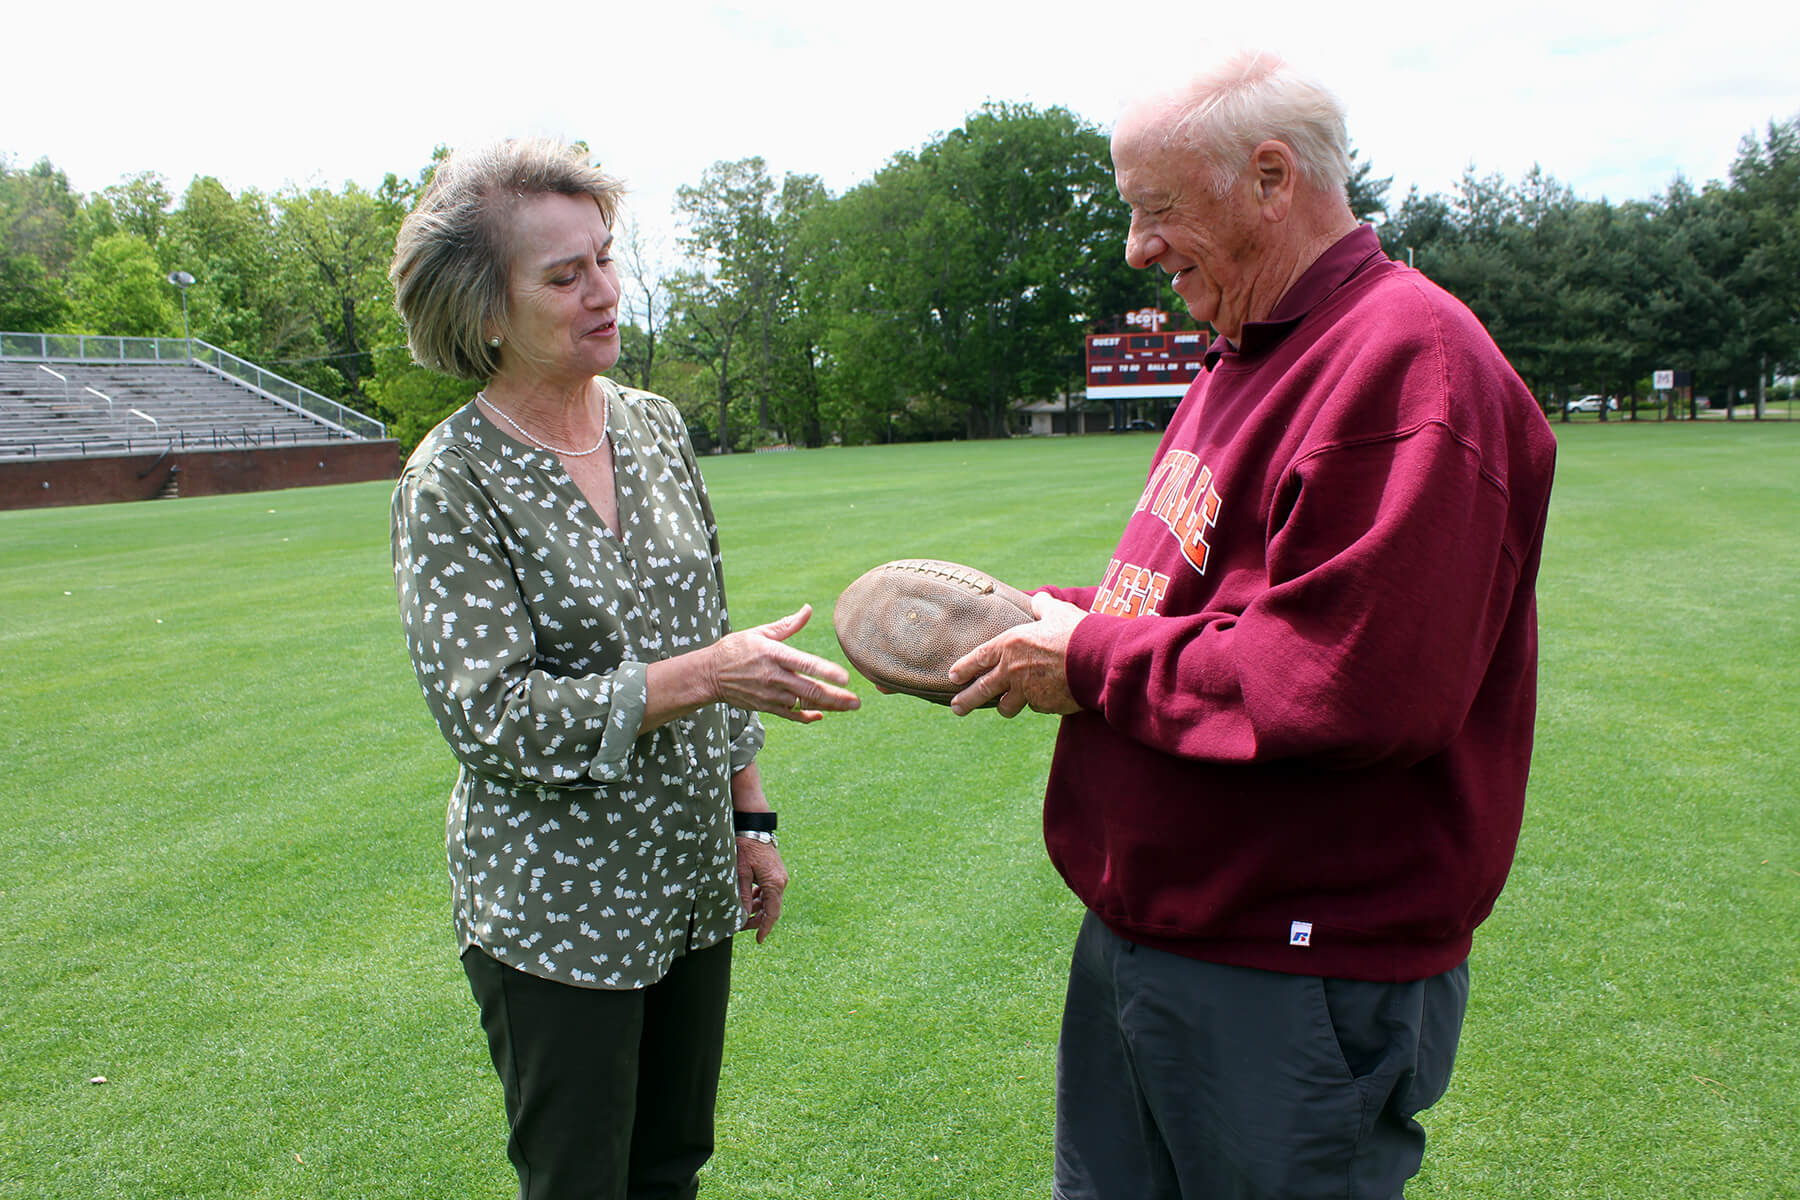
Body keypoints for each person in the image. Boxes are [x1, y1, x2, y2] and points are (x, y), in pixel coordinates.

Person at [946, 51, 1557, 1200]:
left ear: (1272, 179)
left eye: (1155, 210)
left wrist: (1087, 657)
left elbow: (1347, 682)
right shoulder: (1248, 350)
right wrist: (1049, 619)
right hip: (1165, 937)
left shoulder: (1406, 365)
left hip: (1289, 968)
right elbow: (1209, 607)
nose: (1136, 249)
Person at [386, 138, 859, 1200]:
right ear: (486, 312)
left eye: (605, 257)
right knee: (581, 1182)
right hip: (558, 908)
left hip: (687, 879)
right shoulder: (451, 482)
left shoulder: (654, 427)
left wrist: (752, 821)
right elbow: (493, 719)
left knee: (670, 1167)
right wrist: (704, 675)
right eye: (565, 275)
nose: (605, 290)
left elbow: (711, 622)